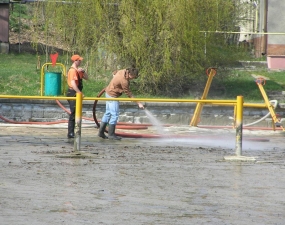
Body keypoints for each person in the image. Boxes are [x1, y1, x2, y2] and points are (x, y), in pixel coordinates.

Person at [98, 68, 144, 140]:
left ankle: (101, 133)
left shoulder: (123, 71)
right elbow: (128, 93)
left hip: (108, 93)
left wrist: (114, 79)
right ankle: (111, 135)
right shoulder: (124, 81)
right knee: (114, 115)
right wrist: (139, 103)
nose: (133, 79)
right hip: (113, 96)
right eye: (133, 77)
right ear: (130, 74)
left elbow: (114, 72)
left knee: (108, 113)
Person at [66, 54, 89, 138]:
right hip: (72, 92)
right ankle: (70, 132)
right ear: (75, 61)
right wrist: (79, 93)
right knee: (73, 112)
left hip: (76, 92)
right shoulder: (72, 71)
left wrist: (83, 72)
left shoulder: (78, 70)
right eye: (79, 60)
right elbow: (72, 84)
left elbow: (87, 78)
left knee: (76, 112)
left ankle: (75, 131)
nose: (80, 61)